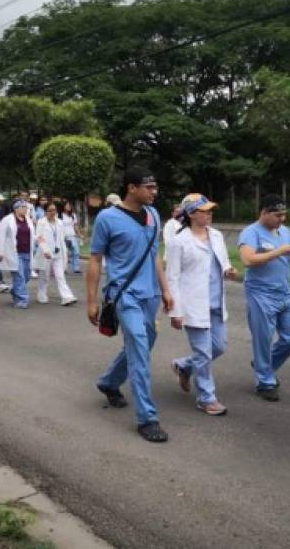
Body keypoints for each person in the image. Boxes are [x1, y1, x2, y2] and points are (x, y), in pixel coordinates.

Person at [87, 168, 174, 442]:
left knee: (143, 343)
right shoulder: (107, 218)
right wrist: (91, 301)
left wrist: (166, 289)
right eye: (149, 187)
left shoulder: (154, 215)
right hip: (125, 295)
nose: (154, 192)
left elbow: (155, 255)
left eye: (155, 187)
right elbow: (95, 260)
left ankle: (109, 382)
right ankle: (147, 418)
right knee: (139, 352)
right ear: (132, 188)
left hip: (151, 295)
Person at [166, 194, 237, 415]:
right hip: (193, 305)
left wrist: (228, 269)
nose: (209, 214)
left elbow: (223, 260)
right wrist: (175, 311)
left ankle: (184, 366)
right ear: (191, 213)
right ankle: (206, 398)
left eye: (210, 210)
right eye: (205, 210)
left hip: (215, 303)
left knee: (219, 347)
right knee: (204, 353)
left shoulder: (216, 235)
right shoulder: (179, 241)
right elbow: (172, 277)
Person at [238, 194, 290, 402]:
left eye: (284, 215)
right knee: (264, 339)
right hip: (261, 293)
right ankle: (265, 381)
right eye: (277, 215)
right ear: (264, 212)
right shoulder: (251, 232)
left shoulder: (284, 231)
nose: (282, 219)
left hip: (284, 291)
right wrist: (280, 251)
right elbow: (248, 260)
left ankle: (264, 364)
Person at [34, 202, 78, 306]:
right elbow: (39, 238)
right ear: (46, 212)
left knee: (60, 276)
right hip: (46, 254)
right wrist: (45, 250)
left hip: (58, 253)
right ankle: (41, 294)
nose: (53, 212)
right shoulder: (41, 222)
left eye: (54, 210)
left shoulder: (60, 223)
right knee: (44, 276)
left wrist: (65, 251)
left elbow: (62, 239)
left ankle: (67, 297)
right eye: (50, 210)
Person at [0, 199, 35, 308]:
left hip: (27, 252)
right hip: (14, 252)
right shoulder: (7, 220)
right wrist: (0, 252)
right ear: (16, 209)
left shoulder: (28, 220)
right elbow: (1, 236)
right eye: (23, 208)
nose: (26, 210)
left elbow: (32, 234)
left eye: (26, 208)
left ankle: (15, 290)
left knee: (26, 276)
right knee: (20, 277)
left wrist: (39, 239)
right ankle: (22, 300)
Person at [61, 200, 83, 274]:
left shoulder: (73, 215)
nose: (68, 207)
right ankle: (64, 268)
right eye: (67, 205)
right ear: (64, 207)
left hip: (73, 236)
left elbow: (75, 226)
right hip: (64, 237)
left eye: (69, 206)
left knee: (76, 252)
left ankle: (76, 268)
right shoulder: (60, 215)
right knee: (65, 253)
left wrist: (79, 234)